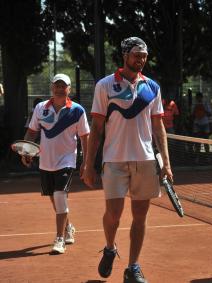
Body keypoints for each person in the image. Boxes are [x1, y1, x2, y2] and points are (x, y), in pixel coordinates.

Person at [82, 37, 172, 283]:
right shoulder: (105, 85)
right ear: (124, 56)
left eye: (143, 55)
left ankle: (133, 267)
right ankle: (110, 247)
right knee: (114, 214)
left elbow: (158, 126)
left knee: (140, 216)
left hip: (145, 161)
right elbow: (97, 127)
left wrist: (166, 162)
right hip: (114, 160)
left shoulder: (152, 87)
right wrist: (88, 164)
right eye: (136, 55)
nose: (140, 60)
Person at [19, 73, 89, 254]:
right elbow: (32, 131)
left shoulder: (77, 110)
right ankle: (68, 226)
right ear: (52, 88)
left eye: (63, 86)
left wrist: (86, 162)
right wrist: (26, 151)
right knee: (55, 199)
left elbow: (85, 137)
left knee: (59, 195)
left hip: (67, 160)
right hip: (46, 161)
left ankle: (59, 239)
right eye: (56, 86)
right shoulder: (41, 108)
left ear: (69, 89)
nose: (59, 89)